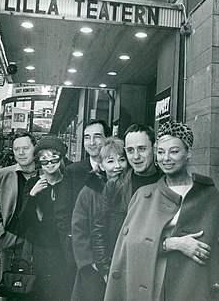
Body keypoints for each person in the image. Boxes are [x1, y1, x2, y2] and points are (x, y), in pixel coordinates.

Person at [104, 120, 219, 301]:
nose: (166, 158)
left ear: (188, 153)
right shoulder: (144, 194)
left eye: (174, 152)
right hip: (153, 283)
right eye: (160, 152)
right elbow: (129, 245)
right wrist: (173, 244)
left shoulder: (209, 193)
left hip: (193, 284)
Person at [92, 124, 162, 279]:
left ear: (154, 148)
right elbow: (99, 229)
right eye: (130, 150)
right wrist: (106, 270)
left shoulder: (166, 181)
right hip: (124, 268)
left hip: (158, 268)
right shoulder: (115, 185)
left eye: (142, 149)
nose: (136, 156)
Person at [56, 119, 111, 296]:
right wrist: (73, 248)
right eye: (87, 137)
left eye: (97, 136)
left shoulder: (118, 169)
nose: (92, 142)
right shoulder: (73, 171)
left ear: (108, 138)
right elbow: (63, 213)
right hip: (82, 255)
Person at [71, 137, 128, 301]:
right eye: (111, 161)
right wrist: (91, 262)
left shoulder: (131, 188)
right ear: (101, 165)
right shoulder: (89, 191)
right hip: (95, 266)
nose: (117, 166)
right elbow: (78, 228)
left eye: (122, 160)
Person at [0, 132, 37, 299]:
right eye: (17, 149)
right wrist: (2, 236)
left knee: (35, 290)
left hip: (37, 244)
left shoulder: (44, 173)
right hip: (11, 242)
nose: (21, 153)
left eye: (25, 148)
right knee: (10, 290)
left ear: (34, 149)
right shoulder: (3, 175)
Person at [19, 136, 68, 300]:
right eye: (44, 159)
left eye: (54, 157)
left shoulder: (69, 183)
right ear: (39, 161)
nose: (50, 163)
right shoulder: (33, 183)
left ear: (60, 157)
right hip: (38, 249)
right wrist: (33, 195)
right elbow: (23, 222)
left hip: (62, 249)